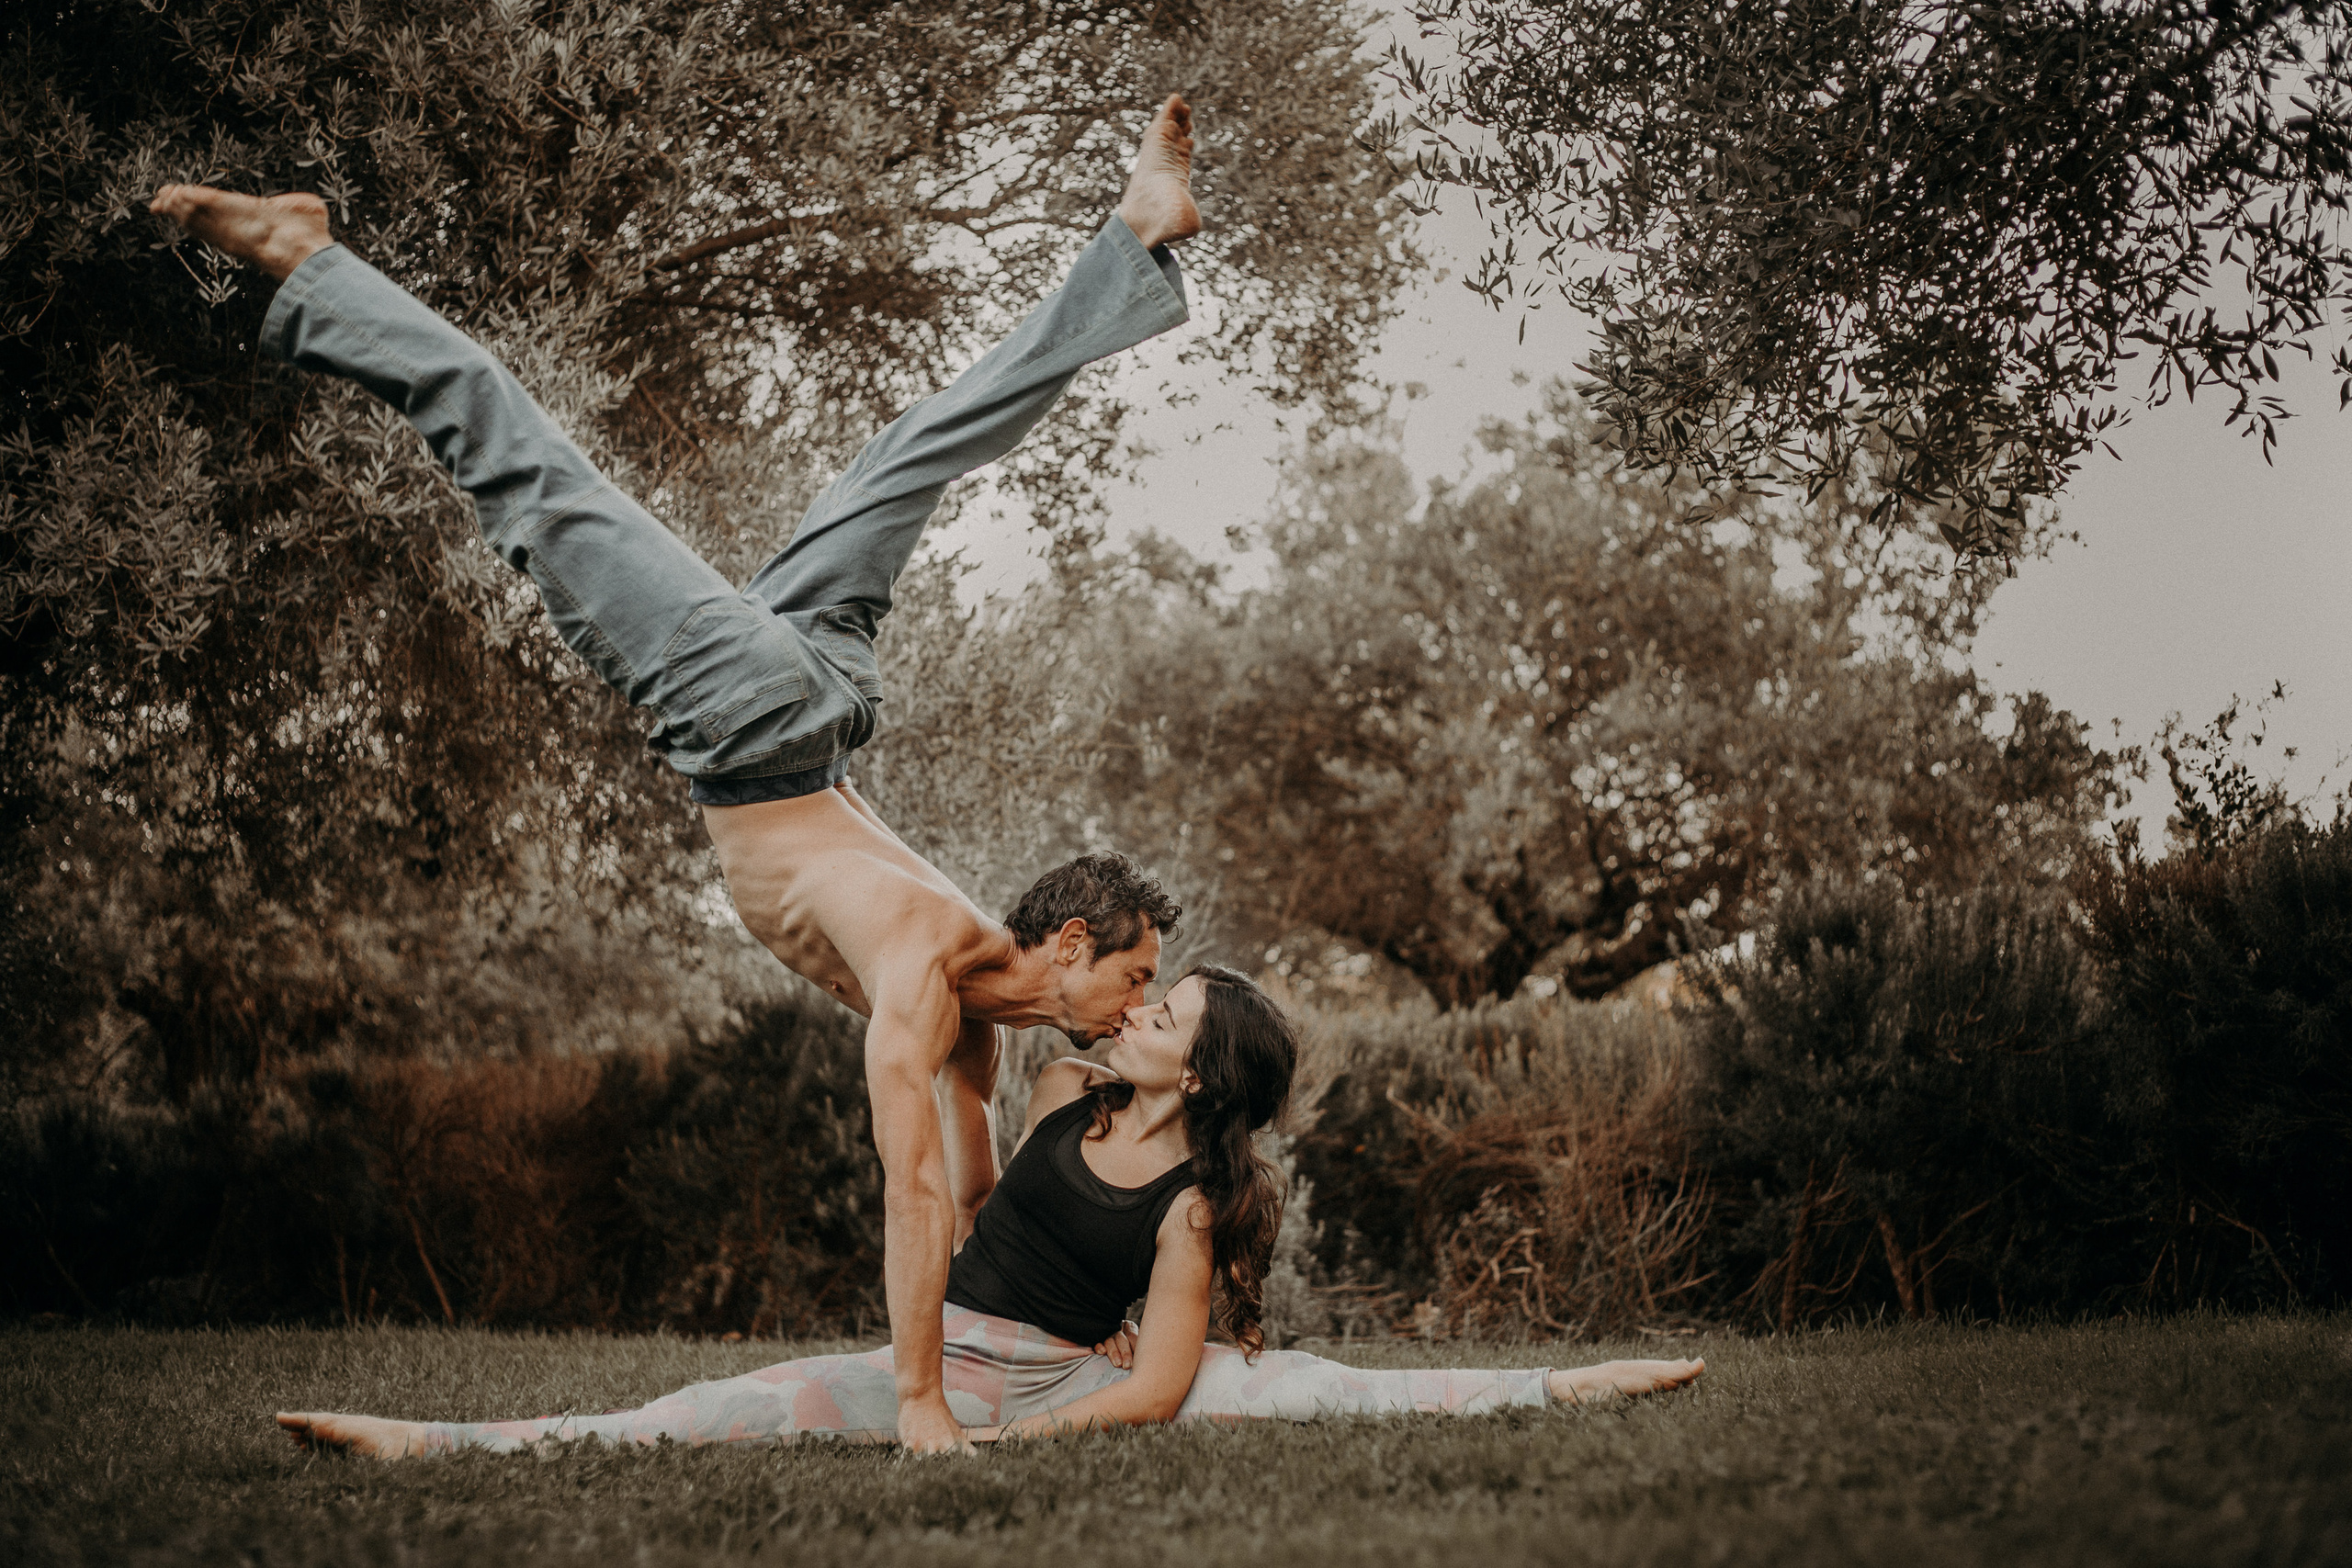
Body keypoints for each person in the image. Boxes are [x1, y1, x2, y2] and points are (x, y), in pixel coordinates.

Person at [152, 96, 1211, 1453]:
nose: (1132, 1014)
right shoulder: (918, 973)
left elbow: (973, 1212)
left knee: (932, 439)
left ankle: (1134, 238)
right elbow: (909, 1204)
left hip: (819, 697)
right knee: (533, 474)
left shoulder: (985, 1020)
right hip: (753, 716)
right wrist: (925, 1406)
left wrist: (1084, 1326)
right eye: (1133, 982)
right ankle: (308, 258)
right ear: (1069, 943)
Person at [276, 965, 1705, 1458]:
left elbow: (1151, 1395)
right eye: (1150, 993)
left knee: (1329, 1396)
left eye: (1172, 1011)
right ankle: (427, 1438)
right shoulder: (1060, 1101)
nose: (1141, 1008)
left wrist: (1004, 1441)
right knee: (698, 1410)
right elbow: (968, 1191)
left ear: (1201, 1071)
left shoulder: (1198, 1205)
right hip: (941, 1354)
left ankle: (1572, 1382)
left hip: (1057, 1386)